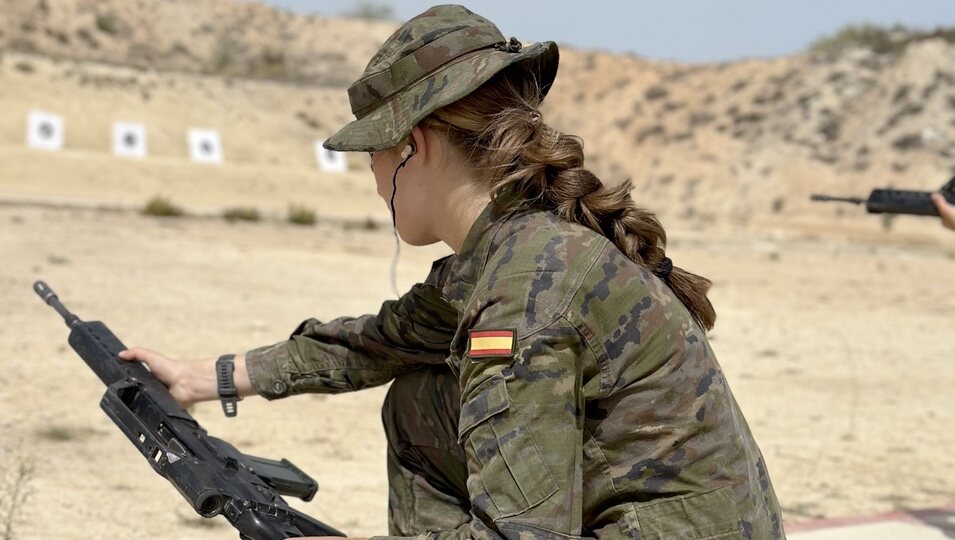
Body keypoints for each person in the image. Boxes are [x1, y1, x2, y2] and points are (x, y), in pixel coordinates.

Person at [119, 5, 784, 539]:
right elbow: (377, 341)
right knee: (421, 399)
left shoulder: (524, 290)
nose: (374, 180)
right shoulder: (512, 244)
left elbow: (521, 530)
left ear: (415, 146)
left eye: (374, 155)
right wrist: (209, 377)